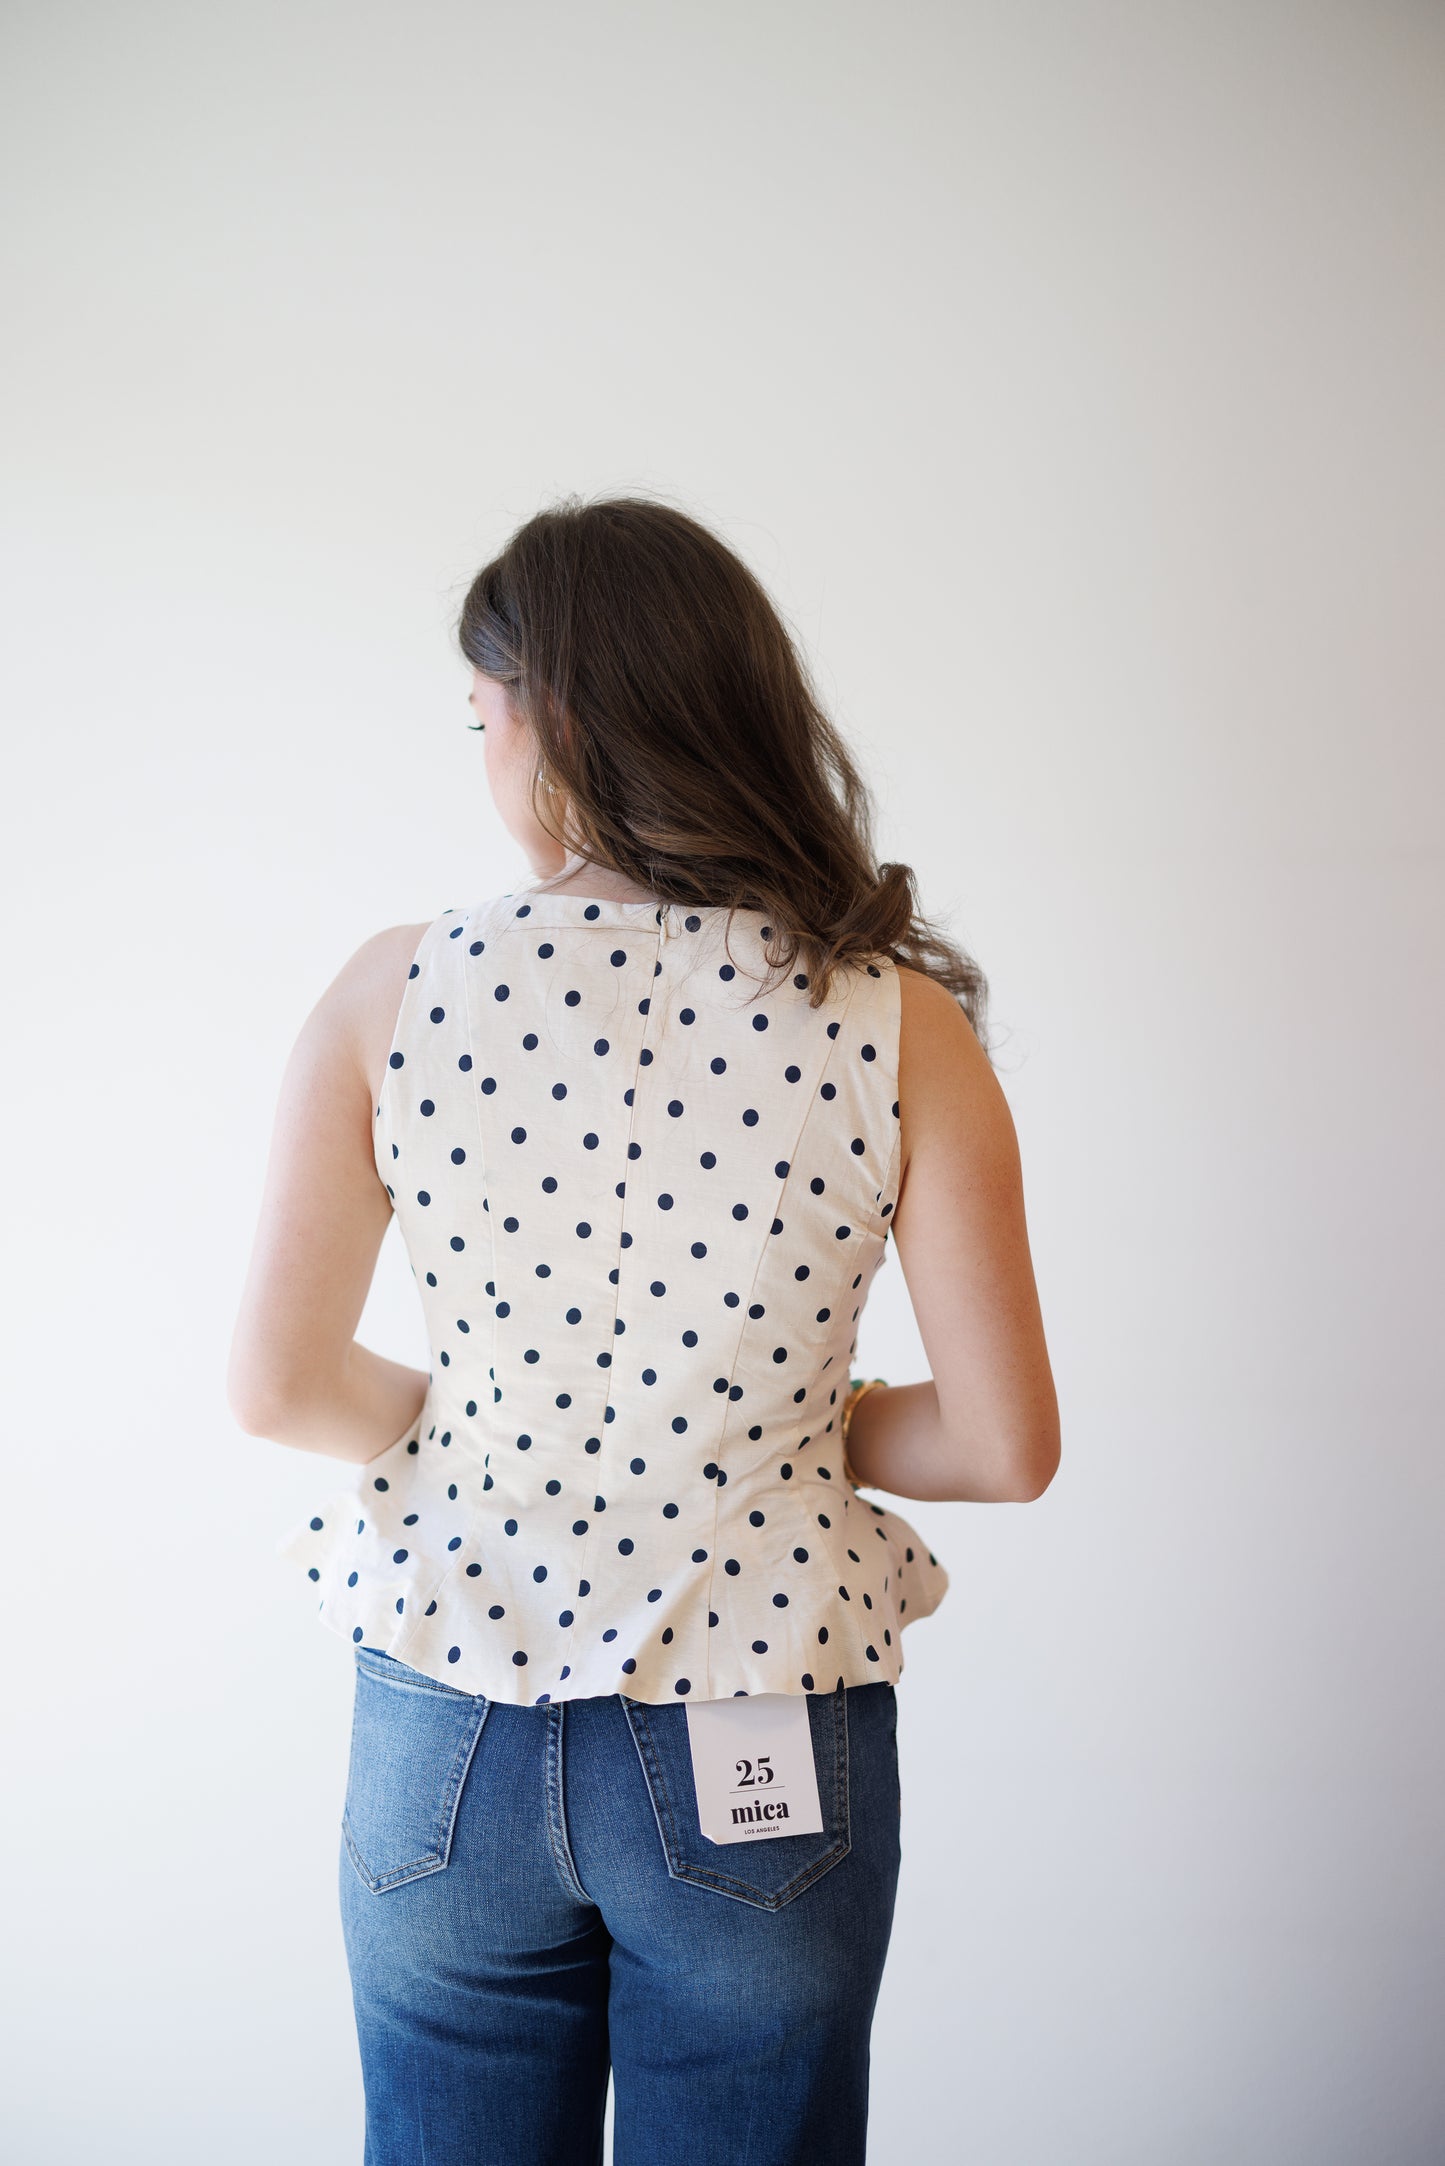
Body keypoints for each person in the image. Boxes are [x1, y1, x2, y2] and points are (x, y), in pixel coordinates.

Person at [228, 493, 1060, 2166]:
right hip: (762, 1722)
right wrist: (738, 1423)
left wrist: (506, 1421)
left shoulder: (394, 991)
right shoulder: (894, 1020)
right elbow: (999, 1446)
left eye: (481, 717)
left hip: (448, 1723)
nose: (480, 755)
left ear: (553, 721)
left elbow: (283, 1387)